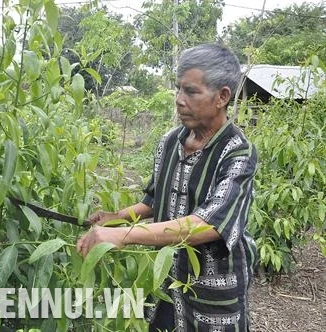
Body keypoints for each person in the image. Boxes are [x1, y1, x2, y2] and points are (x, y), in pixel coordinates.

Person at [76, 44, 258, 331]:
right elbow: (155, 197)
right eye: (178, 89)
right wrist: (118, 216)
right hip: (163, 277)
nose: (179, 100)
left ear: (222, 96)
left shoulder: (237, 152)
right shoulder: (170, 141)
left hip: (211, 288)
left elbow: (209, 224)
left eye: (191, 91)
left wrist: (125, 235)